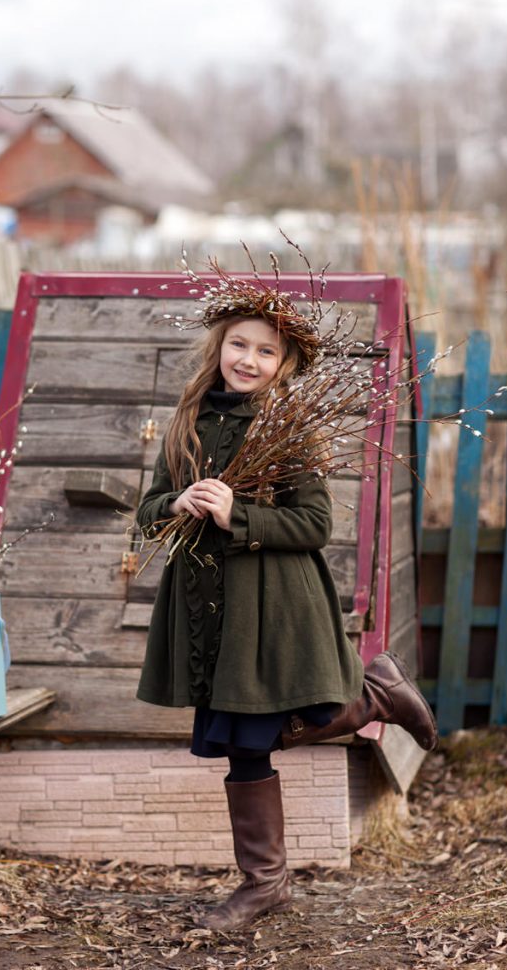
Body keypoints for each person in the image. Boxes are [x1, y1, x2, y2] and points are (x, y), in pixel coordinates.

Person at [136, 283, 437, 932]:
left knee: (274, 723)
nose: (247, 359)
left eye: (264, 352)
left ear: (284, 365)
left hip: (269, 607)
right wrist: (177, 504)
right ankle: (264, 886)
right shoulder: (186, 420)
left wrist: (235, 514)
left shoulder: (287, 425)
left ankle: (372, 699)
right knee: (242, 744)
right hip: (208, 613)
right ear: (218, 346)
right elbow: (147, 510)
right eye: (238, 345)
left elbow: (313, 524)